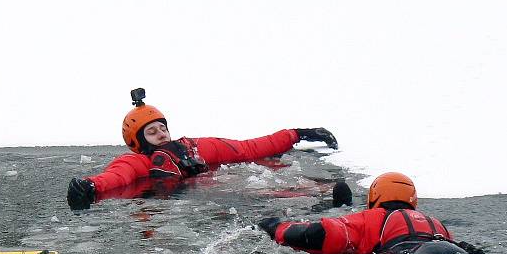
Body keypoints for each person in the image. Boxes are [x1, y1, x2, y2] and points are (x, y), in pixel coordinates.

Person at [66, 88, 339, 209]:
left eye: (162, 127)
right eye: (151, 132)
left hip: (219, 186)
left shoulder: (194, 148)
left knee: (265, 182)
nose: (160, 133)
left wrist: (296, 134)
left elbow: (246, 149)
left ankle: (325, 194)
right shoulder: (137, 162)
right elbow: (116, 178)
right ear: (139, 142)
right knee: (254, 193)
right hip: (185, 202)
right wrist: (90, 186)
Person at [258, 172, 485, 254]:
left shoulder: (371, 218)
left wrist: (275, 227)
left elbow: (321, 233)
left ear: (374, 196)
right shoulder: (435, 223)